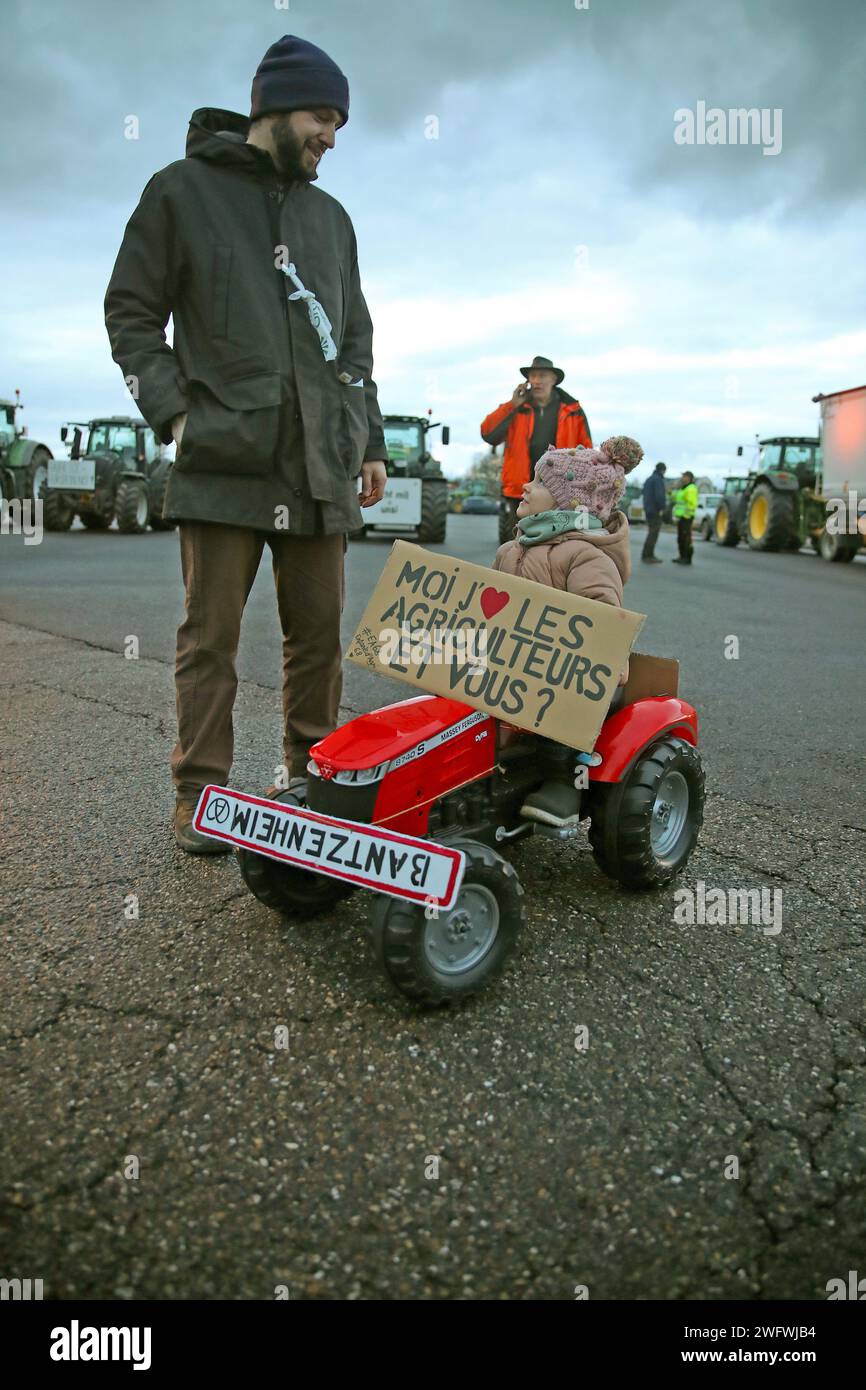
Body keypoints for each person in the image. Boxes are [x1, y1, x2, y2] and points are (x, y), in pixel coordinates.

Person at [104, 35, 389, 853]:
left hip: (318, 465)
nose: (331, 137)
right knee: (211, 635)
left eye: (340, 123)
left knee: (320, 636)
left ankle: (311, 784)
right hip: (223, 456)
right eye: (322, 117)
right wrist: (175, 415)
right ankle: (200, 796)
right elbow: (129, 312)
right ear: (273, 108)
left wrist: (367, 440)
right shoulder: (179, 193)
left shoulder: (332, 220)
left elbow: (355, 343)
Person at [492, 435, 643, 827]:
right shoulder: (513, 548)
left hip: (569, 668)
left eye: (540, 484)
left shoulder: (586, 555)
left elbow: (600, 620)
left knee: (561, 696)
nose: (526, 487)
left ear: (568, 504)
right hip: (513, 659)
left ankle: (564, 781)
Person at [480, 356, 592, 538]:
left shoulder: (573, 411)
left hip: (558, 492)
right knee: (513, 544)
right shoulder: (516, 408)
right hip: (520, 490)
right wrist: (512, 404)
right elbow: (488, 434)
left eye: (542, 376)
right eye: (533, 376)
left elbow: (586, 452)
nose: (537, 381)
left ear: (553, 379)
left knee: (555, 544)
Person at [641, 460, 667, 562]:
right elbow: (659, 496)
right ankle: (648, 555)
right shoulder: (658, 480)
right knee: (653, 533)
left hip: (648, 509)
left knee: (651, 531)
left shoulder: (649, 479)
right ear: (663, 470)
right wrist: (662, 508)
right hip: (655, 510)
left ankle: (646, 554)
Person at [672, 470, 699, 565]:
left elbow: (692, 504)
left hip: (687, 517)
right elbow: (677, 500)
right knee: (681, 537)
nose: (683, 478)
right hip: (681, 517)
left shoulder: (691, 488)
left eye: (684, 476)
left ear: (689, 478)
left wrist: (687, 515)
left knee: (686, 538)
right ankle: (682, 556)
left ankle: (686, 557)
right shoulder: (683, 488)